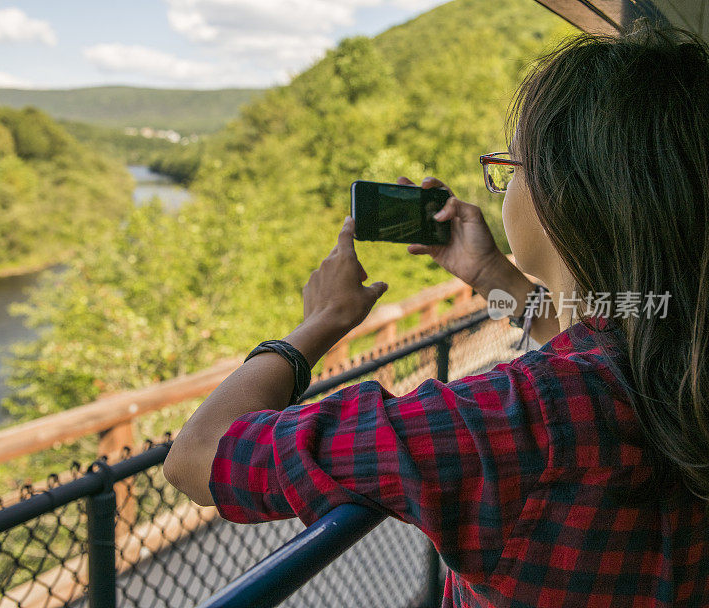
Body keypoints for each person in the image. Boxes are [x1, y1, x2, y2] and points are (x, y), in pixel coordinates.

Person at [163, 17, 709, 607]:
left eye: (511, 168)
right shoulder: (674, 343)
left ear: (564, 189)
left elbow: (198, 458)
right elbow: (596, 345)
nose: (503, 189)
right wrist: (488, 275)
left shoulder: (505, 423)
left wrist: (316, 325)